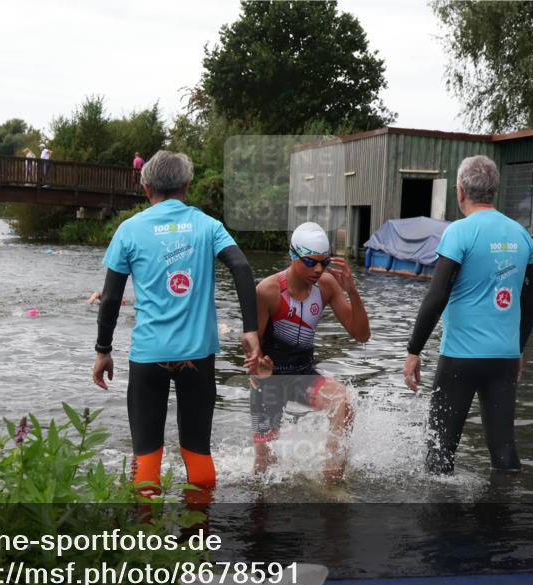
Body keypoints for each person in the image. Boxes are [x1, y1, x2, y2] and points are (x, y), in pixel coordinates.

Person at [91, 150, 260, 500]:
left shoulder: (129, 230)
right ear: (187, 186)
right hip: (197, 356)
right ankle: (197, 538)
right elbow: (242, 269)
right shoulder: (208, 226)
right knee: (198, 450)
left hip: (148, 356)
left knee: (147, 454)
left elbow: (109, 299)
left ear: (146, 186)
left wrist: (103, 350)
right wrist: (250, 330)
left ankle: (147, 541)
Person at [402, 155, 533, 475]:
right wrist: (518, 348)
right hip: (504, 357)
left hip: (460, 358)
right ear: (495, 191)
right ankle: (502, 520)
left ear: (460, 191)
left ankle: (439, 522)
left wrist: (413, 350)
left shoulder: (459, 232)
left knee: (441, 451)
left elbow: (437, 296)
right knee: (504, 449)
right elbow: (531, 301)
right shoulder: (521, 235)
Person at [249, 222, 370, 484]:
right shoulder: (267, 291)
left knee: (344, 404)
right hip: (269, 380)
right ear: (293, 255)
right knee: (263, 465)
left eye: (324, 263)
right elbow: (249, 341)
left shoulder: (326, 285)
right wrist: (257, 362)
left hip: (302, 375)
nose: (318, 269)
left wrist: (352, 290)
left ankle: (331, 486)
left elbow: (361, 335)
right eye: (310, 262)